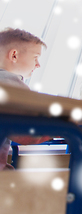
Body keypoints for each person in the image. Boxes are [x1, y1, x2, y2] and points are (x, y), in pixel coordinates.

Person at [0, 28, 50, 171]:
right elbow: (27, 135)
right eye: (35, 57)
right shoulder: (11, 85)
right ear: (14, 55)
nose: (38, 64)